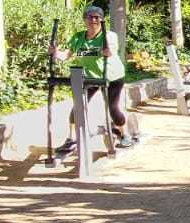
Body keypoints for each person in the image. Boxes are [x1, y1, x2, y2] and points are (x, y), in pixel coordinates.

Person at [51, 5, 133, 149]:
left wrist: (108, 51)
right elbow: (66, 56)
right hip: (89, 78)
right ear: (85, 20)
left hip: (111, 77)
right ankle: (71, 138)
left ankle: (125, 134)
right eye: (90, 17)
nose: (93, 20)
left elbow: (111, 51)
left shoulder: (108, 35)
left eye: (97, 17)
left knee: (112, 108)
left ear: (101, 20)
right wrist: (55, 52)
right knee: (78, 107)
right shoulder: (78, 37)